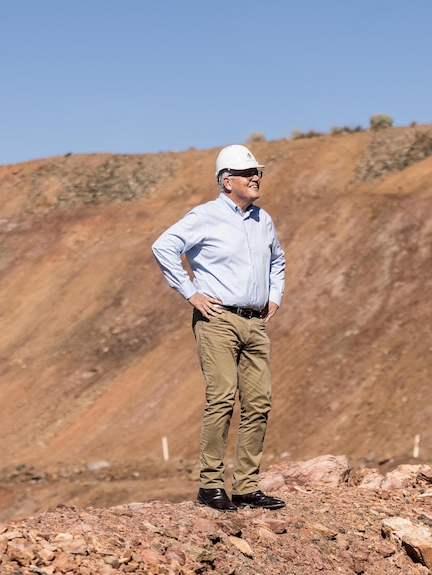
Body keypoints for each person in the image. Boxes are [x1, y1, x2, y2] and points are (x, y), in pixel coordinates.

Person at [151, 144, 286, 511]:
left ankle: (246, 487)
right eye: (248, 174)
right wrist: (191, 293)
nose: (256, 178)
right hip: (217, 320)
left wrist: (275, 297)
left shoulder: (264, 219)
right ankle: (210, 486)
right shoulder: (205, 216)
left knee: (258, 402)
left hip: (255, 322)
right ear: (228, 181)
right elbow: (163, 246)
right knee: (223, 396)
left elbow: (278, 259)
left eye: (257, 172)